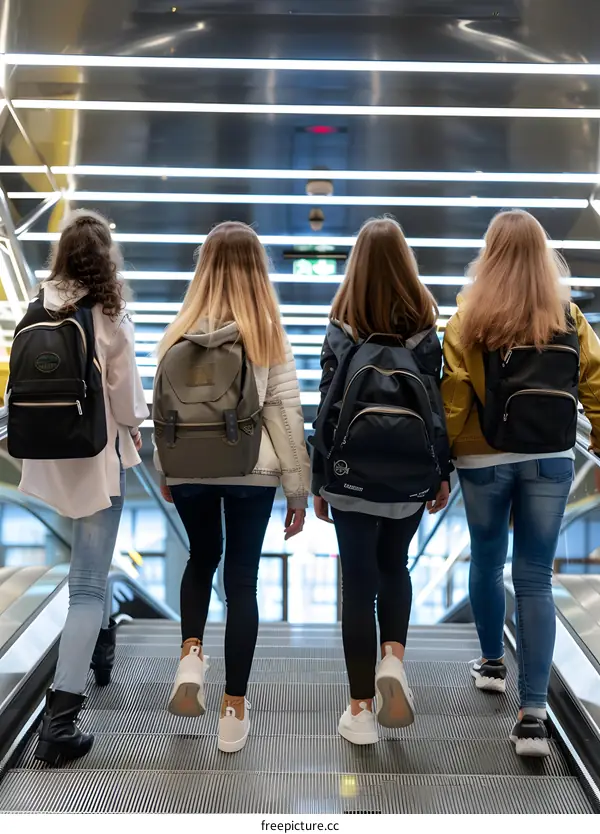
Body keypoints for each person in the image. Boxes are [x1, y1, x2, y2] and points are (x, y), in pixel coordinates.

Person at [442, 209, 600, 757]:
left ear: (489, 256)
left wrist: (447, 457)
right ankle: (533, 716)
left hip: (483, 458)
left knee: (487, 559)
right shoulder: (568, 315)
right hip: (551, 457)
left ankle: (491, 664)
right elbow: (596, 381)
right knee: (534, 576)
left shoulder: (469, 318)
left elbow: (457, 394)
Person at [155, 221, 310, 754]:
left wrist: (166, 470)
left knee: (202, 558)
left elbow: (163, 416)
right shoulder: (266, 331)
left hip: (190, 469)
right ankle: (233, 710)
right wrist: (297, 490)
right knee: (242, 580)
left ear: (204, 267)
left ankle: (191, 657)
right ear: (257, 270)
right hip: (251, 471)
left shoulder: (178, 330)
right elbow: (285, 417)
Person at [311, 217, 451, 746]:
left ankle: (361, 709)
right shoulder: (423, 324)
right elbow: (435, 403)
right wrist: (441, 472)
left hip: (351, 474)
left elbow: (327, 405)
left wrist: (322, 477)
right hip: (411, 474)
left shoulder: (341, 322)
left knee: (358, 585)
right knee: (396, 567)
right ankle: (393, 657)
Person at [17, 211, 148, 765]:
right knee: (87, 588)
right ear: (105, 260)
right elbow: (128, 406)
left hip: (47, 461)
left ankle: (100, 644)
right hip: (96, 460)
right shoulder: (110, 316)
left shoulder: (37, 306)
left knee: (82, 579)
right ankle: (59, 725)